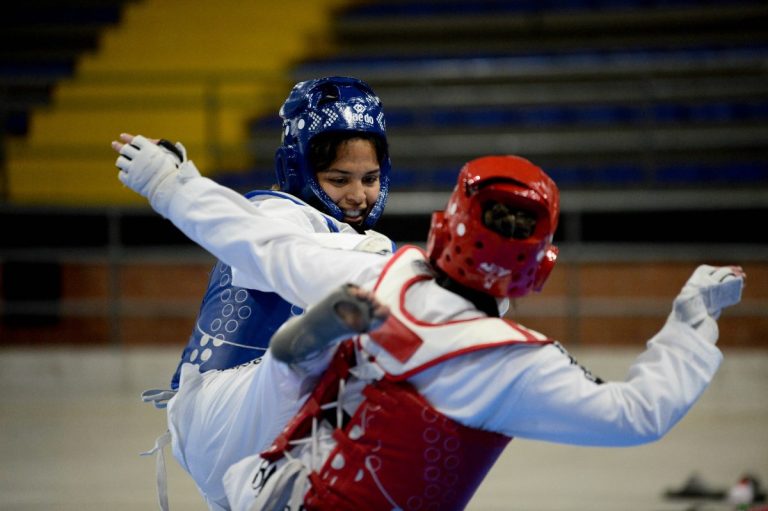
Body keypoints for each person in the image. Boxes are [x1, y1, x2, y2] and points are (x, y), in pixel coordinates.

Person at [113, 145, 745, 510]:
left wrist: (171, 183)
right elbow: (636, 414)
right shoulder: (511, 362)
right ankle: (293, 360)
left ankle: (293, 358)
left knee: (297, 309)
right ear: (538, 267)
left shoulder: (379, 274)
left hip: (260, 481)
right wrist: (692, 323)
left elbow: (257, 241)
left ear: (447, 225)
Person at [112, 76, 396, 511]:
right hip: (234, 411)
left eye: (370, 178)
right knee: (386, 313)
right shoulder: (274, 214)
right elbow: (260, 241)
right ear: (299, 170)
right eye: (340, 179)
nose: (358, 195)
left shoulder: (317, 231)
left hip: (236, 434)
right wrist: (174, 184)